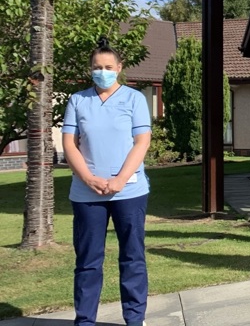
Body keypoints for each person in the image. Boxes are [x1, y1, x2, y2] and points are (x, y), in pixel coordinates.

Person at [62, 38, 152, 326]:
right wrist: (88, 178)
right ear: (90, 69)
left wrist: (120, 180)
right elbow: (69, 144)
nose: (103, 71)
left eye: (108, 67)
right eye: (97, 67)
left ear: (120, 68)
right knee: (88, 262)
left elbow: (142, 141)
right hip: (87, 194)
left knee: (132, 258)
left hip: (129, 192)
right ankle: (85, 321)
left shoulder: (134, 99)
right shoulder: (78, 100)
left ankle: (135, 319)